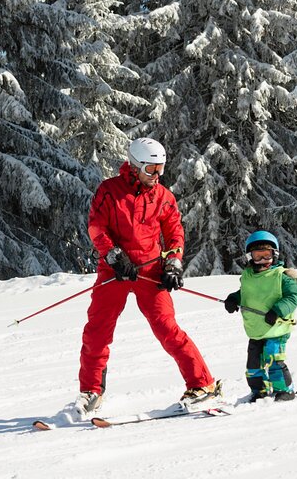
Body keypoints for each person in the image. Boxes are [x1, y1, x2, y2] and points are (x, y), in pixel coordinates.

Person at [75, 137, 217, 417]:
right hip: (115, 270)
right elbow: (96, 227)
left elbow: (174, 230)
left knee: (166, 327)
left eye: (161, 169)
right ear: (135, 165)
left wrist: (173, 263)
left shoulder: (163, 196)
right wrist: (114, 255)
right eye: (152, 169)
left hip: (150, 270)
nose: (157, 175)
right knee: (97, 330)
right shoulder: (109, 191)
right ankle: (91, 391)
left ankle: (202, 385)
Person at [224, 230, 297, 402]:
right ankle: (260, 391)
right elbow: (246, 293)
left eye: (267, 256)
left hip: (277, 327)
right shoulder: (248, 276)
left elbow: (294, 296)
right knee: (253, 364)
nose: (262, 261)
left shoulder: (281, 276)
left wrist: (277, 310)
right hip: (256, 329)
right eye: (257, 256)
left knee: (273, 359)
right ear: (250, 256)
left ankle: (285, 390)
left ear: (275, 254)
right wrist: (233, 299)